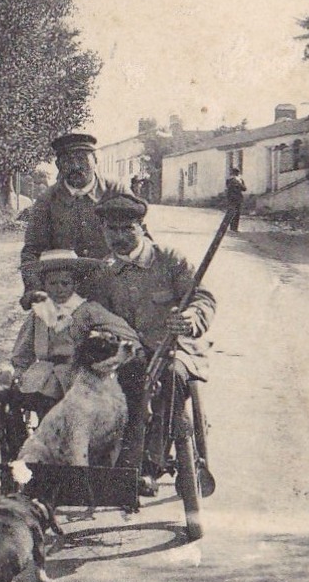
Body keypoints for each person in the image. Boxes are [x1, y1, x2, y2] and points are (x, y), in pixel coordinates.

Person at [82, 193, 216, 495]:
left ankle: (150, 464)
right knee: (119, 382)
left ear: (142, 227)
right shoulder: (104, 273)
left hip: (175, 350)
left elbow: (202, 298)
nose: (118, 237)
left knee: (170, 378)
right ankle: (110, 458)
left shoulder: (170, 261)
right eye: (110, 230)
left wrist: (191, 319)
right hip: (130, 355)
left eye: (126, 228)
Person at [0, 250, 140, 467]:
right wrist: (18, 370)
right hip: (43, 375)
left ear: (75, 284)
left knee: (79, 415)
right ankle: (32, 455)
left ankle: (85, 461)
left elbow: (125, 332)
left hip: (76, 374)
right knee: (34, 404)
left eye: (65, 283)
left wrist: (116, 343)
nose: (59, 289)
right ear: (44, 285)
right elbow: (23, 349)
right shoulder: (39, 313)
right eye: (53, 283)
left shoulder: (88, 310)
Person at [19, 132, 120, 307]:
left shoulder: (115, 192)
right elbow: (32, 250)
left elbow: (140, 238)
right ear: (58, 165)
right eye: (67, 161)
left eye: (82, 159)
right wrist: (33, 288)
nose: (75, 166)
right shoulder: (47, 200)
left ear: (96, 160)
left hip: (111, 287)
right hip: (64, 294)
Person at [224, 168, 247, 233]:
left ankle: (234, 228)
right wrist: (238, 183)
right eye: (235, 173)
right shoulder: (230, 180)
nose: (235, 174)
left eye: (236, 173)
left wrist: (239, 183)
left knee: (237, 213)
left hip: (237, 198)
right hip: (232, 199)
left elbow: (244, 188)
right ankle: (231, 228)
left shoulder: (240, 180)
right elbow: (230, 188)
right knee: (232, 213)